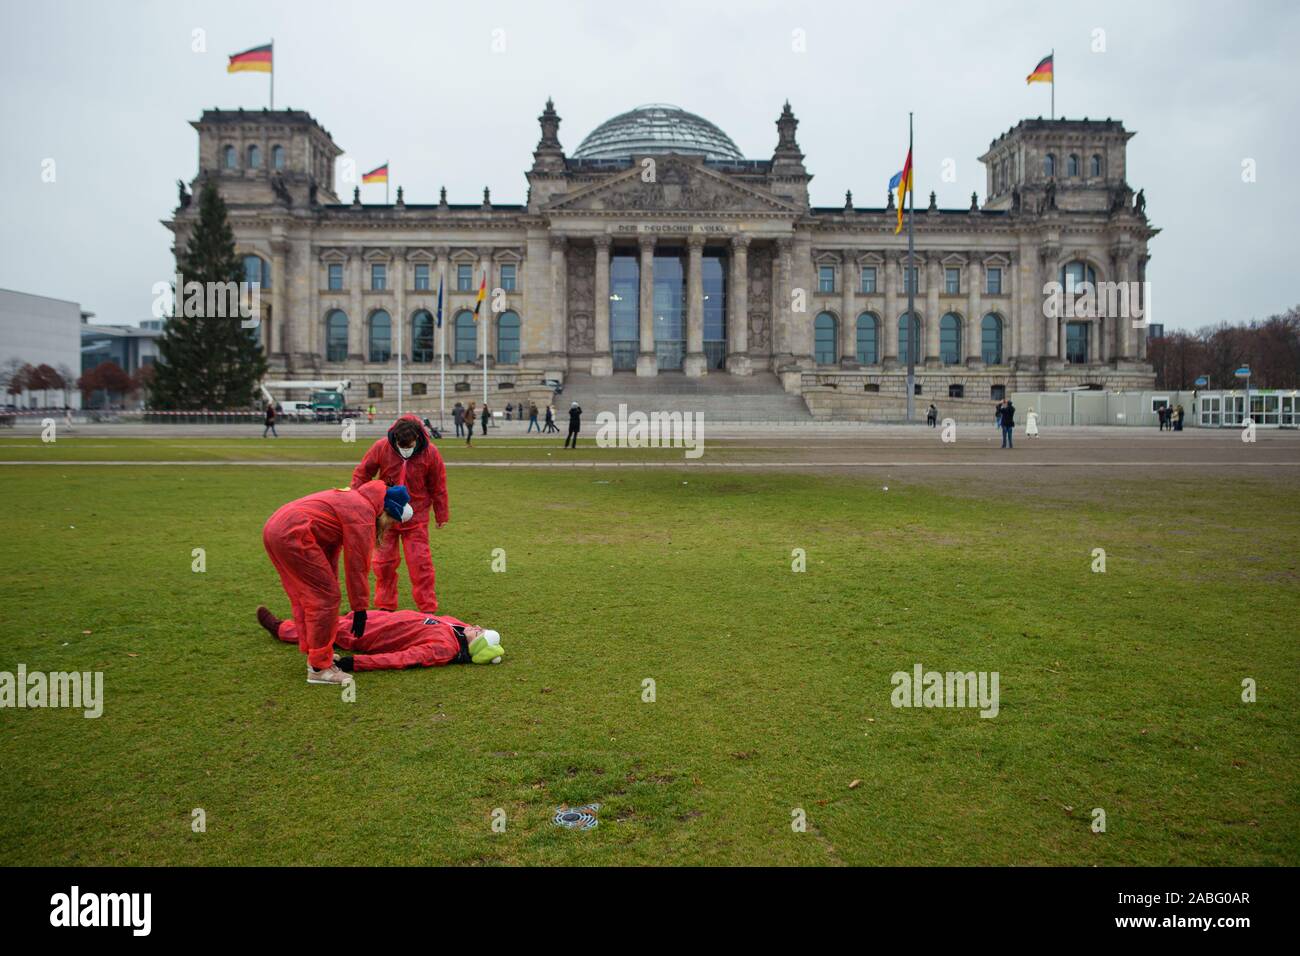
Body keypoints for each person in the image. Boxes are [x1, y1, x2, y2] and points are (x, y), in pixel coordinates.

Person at [262, 481, 412, 685]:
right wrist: (360, 608)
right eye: (392, 522)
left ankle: (317, 651)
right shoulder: (363, 513)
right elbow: (357, 564)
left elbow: (329, 546)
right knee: (325, 599)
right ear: (387, 511)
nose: (390, 527)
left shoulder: (356, 499)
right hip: (293, 534)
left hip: (276, 528)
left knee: (306, 595)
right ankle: (319, 668)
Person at [351, 414, 450, 613]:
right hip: (386, 515)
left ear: (418, 438)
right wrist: (356, 502)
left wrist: (441, 514)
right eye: (401, 446)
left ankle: (427, 607)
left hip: (417, 516)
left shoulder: (431, 453)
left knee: (420, 562)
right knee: (383, 563)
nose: (405, 450)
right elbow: (363, 473)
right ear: (394, 438)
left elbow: (438, 485)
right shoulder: (381, 447)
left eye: (409, 446)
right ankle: (385, 605)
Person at [257, 605, 505, 670]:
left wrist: (353, 663)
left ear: (476, 644)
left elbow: (401, 658)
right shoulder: (459, 629)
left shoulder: (445, 649)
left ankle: (282, 630)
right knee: (339, 617)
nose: (477, 626)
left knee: (326, 630)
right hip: (382, 619)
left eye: (480, 632)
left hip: (372, 635)